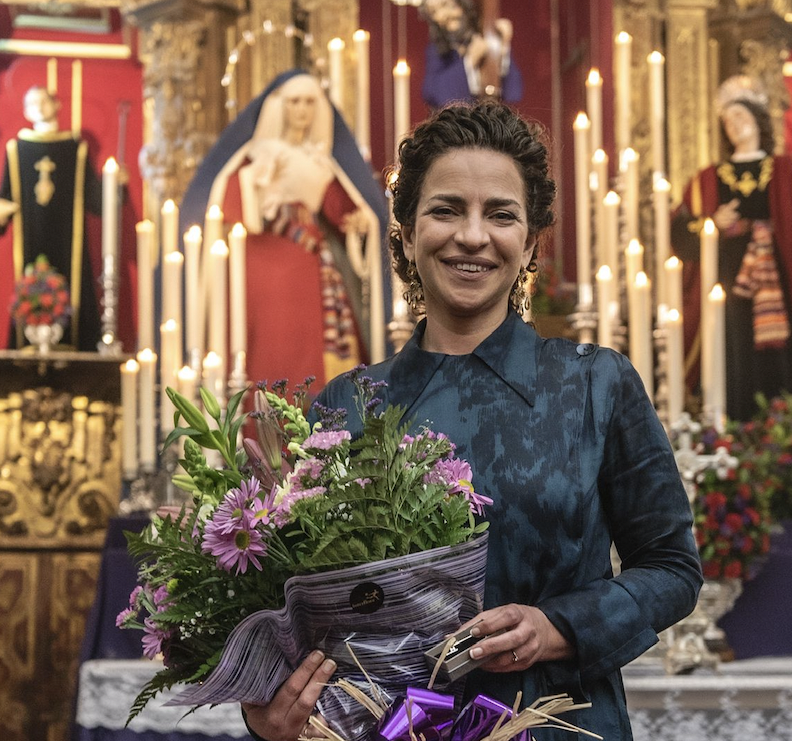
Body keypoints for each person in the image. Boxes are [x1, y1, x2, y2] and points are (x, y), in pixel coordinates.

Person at [242, 101, 703, 741]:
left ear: (530, 241)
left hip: (556, 725)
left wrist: (558, 628)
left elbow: (673, 569)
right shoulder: (347, 405)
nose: (473, 236)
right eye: (446, 209)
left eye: (501, 214)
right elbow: (294, 611)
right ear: (405, 231)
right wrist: (268, 707)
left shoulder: (595, 384)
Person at [180, 71, 389, 387]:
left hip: (314, 260)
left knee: (314, 346)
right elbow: (230, 200)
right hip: (267, 260)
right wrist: (257, 189)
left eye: (309, 102)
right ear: (280, 106)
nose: (302, 110)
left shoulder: (320, 160)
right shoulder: (260, 153)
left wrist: (359, 222)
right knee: (271, 347)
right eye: (294, 102)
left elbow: (340, 207)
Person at [671, 76, 792, 421]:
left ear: (757, 119)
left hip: (779, 283)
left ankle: (784, 434)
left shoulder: (788, 171)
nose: (735, 125)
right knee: (731, 354)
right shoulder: (708, 178)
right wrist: (712, 222)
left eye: (741, 116)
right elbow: (680, 231)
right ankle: (730, 429)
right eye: (728, 120)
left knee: (780, 358)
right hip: (725, 287)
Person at [0, 86, 103, 351]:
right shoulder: (17, 150)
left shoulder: (75, 149)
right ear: (24, 110)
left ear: (56, 105)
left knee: (76, 289)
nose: (38, 107)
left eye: (43, 101)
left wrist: (115, 188)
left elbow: (95, 199)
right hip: (31, 241)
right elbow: (4, 197)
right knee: (27, 277)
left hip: (70, 241)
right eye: (31, 103)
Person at [382, 0, 522, 108]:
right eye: (436, 12)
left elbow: (513, 92)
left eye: (447, 5)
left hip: (493, 122)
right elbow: (434, 93)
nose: (446, 14)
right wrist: (469, 61)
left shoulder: (486, 35)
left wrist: (503, 46)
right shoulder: (437, 52)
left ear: (461, 6)